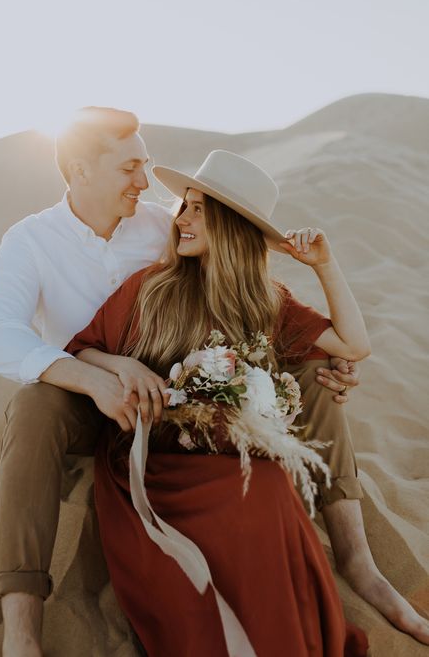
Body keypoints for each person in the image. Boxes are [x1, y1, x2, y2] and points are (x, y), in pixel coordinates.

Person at [0, 109, 427, 655]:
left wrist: (320, 343)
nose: (148, 186)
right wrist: (104, 374)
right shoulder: (32, 241)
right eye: (131, 168)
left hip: (186, 407)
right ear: (80, 171)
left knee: (314, 371)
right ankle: (22, 625)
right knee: (34, 405)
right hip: (85, 395)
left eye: (148, 168)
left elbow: (234, 290)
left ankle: (359, 560)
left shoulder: (160, 228)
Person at [64, 149, 372, 655]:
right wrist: (124, 366)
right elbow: (82, 349)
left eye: (198, 209)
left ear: (230, 225)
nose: (180, 219)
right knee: (252, 495)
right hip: (154, 460)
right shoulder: (150, 288)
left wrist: (325, 264)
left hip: (232, 456)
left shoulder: (266, 301)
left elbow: (353, 345)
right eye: (183, 206)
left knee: (270, 488)